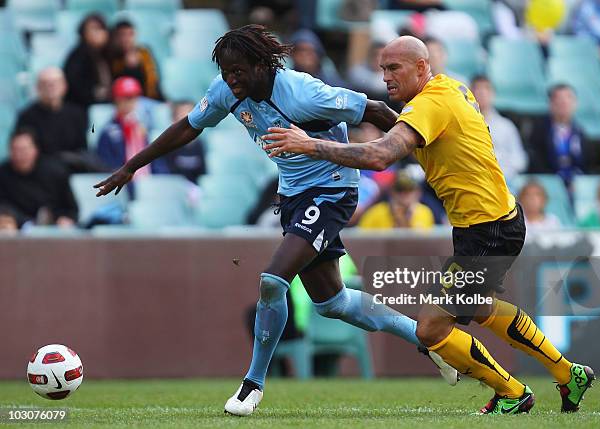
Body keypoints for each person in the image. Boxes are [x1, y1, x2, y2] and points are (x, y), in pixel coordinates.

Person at [93, 25, 458, 416]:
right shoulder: (224, 90)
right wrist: (131, 166)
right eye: (226, 72)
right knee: (334, 304)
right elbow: (188, 127)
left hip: (332, 190)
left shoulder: (303, 91)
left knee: (272, 280)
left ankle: (253, 385)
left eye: (238, 72)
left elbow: (376, 110)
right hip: (294, 197)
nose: (231, 80)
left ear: (260, 65)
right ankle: (428, 339)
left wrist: (429, 156)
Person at [263, 35, 595, 415]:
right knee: (481, 308)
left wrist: (310, 145)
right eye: (382, 68)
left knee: (431, 328)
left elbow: (379, 156)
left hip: (487, 228)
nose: (385, 76)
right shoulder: (452, 88)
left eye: (394, 68)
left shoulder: (429, 104)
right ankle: (569, 374)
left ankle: (513, 392)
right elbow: (415, 134)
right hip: (492, 221)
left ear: (422, 67)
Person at [15, 67, 98, 173]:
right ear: (37, 88)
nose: (51, 87)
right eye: (45, 83)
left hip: (73, 168)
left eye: (55, 83)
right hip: (41, 171)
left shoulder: (78, 114)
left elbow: (82, 148)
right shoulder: (26, 116)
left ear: (64, 86)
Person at [96, 77, 169, 184]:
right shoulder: (109, 132)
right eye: (128, 98)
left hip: (148, 183)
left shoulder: (140, 127)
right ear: (117, 100)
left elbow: (154, 161)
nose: (132, 103)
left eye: (135, 97)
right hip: (124, 184)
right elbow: (107, 164)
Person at [0, 129, 78, 227]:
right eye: (15, 150)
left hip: (53, 229)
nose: (19, 155)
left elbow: (71, 209)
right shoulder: (3, 174)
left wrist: (66, 219)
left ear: (35, 150)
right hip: (16, 228)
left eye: (24, 150)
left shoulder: (55, 172)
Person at [470, 75, 527, 181]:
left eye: (486, 89)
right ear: (470, 94)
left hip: (504, 181)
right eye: (477, 89)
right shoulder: (461, 125)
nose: (482, 93)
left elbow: (520, 160)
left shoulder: (506, 126)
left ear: (493, 94)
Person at [528, 84, 587, 186]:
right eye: (558, 99)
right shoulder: (538, 131)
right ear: (550, 104)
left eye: (569, 98)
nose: (564, 102)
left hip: (576, 183)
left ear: (575, 103)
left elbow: (586, 164)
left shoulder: (580, 132)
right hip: (548, 183)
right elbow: (536, 162)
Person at [63, 13, 112, 110]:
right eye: (93, 29)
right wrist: (96, 93)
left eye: (100, 28)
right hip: (81, 108)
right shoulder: (78, 55)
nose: (97, 33)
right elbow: (75, 87)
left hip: (105, 105)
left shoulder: (107, 54)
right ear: (83, 33)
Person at [109, 20, 164, 101]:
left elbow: (154, 82)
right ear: (115, 37)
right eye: (122, 35)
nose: (126, 39)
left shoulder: (144, 53)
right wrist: (128, 68)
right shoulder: (112, 57)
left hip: (149, 99)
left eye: (130, 34)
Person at [358, 172, 434, 229]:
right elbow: (362, 242)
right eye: (400, 189)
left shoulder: (424, 212)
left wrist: (405, 219)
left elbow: (421, 244)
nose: (404, 194)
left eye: (409, 189)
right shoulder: (376, 212)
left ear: (418, 192)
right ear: (392, 191)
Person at [164, 101, 206, 184]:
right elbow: (165, 175)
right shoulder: (167, 145)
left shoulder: (199, 145)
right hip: (173, 189)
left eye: (191, 113)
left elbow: (203, 174)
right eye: (182, 114)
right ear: (174, 120)